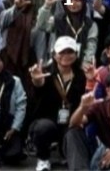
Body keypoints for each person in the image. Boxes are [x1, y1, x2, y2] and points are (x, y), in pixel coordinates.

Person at [27, 37, 86, 170]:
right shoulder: (45, 73)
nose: (66, 56)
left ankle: (67, 154)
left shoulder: (81, 75)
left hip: (70, 121)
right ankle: (43, 159)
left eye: (70, 52)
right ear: (54, 55)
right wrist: (36, 81)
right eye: (62, 52)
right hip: (48, 120)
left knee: (76, 132)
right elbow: (37, 88)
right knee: (43, 127)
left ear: (76, 55)